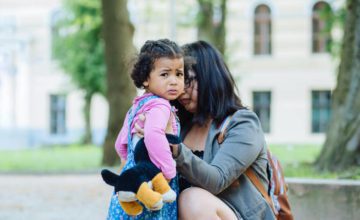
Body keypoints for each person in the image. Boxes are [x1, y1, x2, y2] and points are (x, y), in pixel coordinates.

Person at [137, 41, 276, 220]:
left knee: (193, 200)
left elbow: (217, 180)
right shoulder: (181, 125)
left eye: (188, 80)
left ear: (211, 78)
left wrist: (173, 146)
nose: (181, 89)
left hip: (240, 215)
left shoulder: (243, 124)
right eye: (178, 79)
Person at [106, 39, 187, 220]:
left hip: (133, 179)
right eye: (165, 74)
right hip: (155, 182)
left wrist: (131, 164)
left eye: (179, 74)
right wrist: (168, 171)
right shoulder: (161, 106)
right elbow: (153, 135)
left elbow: (121, 143)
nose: (174, 81)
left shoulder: (137, 106)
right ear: (145, 78)